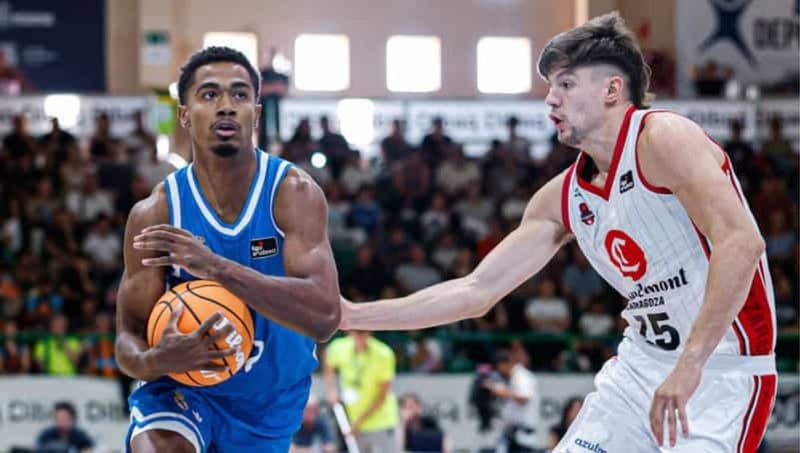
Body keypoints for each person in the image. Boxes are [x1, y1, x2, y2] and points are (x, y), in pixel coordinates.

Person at [340, 12, 776, 453]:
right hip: (638, 371)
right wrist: (353, 316)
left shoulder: (663, 137)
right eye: (550, 86)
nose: (550, 99)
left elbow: (742, 242)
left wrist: (690, 363)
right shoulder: (562, 197)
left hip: (720, 371)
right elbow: (476, 291)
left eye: (565, 84)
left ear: (612, 90)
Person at [115, 46, 341, 453]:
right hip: (182, 388)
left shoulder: (292, 194)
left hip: (268, 403)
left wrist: (216, 267)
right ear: (185, 115)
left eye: (239, 94)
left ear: (256, 113)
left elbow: (325, 317)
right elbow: (127, 339)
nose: (226, 106)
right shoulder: (157, 212)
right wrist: (156, 361)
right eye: (209, 94)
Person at [323, 330, 398, 453]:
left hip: (380, 423)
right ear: (350, 332)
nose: (360, 336)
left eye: (363, 332)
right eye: (356, 331)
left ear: (370, 332)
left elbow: (381, 397)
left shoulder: (384, 354)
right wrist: (332, 390)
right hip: (353, 422)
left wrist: (358, 422)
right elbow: (328, 360)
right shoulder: (339, 347)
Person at [484, 349, 545, 453]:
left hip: (523, 435)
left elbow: (525, 398)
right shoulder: (511, 377)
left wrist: (503, 393)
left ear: (504, 364)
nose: (499, 371)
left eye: (499, 366)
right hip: (512, 434)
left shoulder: (521, 376)